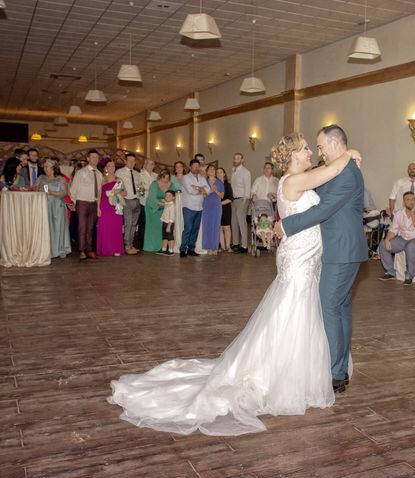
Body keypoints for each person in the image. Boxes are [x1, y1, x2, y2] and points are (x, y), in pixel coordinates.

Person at [108, 131, 355, 436]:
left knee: (299, 311)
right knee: (294, 310)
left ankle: (298, 368)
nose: (310, 153)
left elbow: (325, 176)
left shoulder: (297, 178)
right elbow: (330, 170)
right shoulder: (293, 180)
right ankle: (283, 374)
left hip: (305, 257)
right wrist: (351, 153)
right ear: (292, 156)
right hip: (299, 259)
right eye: (306, 149)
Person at [277, 125, 368, 393]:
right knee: (338, 307)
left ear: (335, 143)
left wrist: (286, 225)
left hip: (341, 250)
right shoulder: (340, 169)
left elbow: (324, 209)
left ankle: (336, 373)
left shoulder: (347, 174)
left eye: (320, 146)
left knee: (330, 306)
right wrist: (349, 154)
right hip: (332, 250)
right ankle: (338, 367)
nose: (318, 152)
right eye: (312, 148)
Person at [379, 191, 415, 286]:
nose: (411, 201)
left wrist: (413, 213)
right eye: (408, 200)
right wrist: (387, 239)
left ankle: (409, 276)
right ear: (404, 202)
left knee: (410, 245)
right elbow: (393, 229)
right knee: (383, 245)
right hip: (404, 239)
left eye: (413, 199)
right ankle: (391, 272)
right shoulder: (399, 214)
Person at [70, 150, 103, 260]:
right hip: (82, 203)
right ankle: (82, 250)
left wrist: (98, 207)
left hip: (93, 203)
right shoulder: (81, 172)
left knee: (90, 228)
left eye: (97, 157)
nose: (95, 159)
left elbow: (99, 192)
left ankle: (89, 250)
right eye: (93, 157)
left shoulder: (99, 174)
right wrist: (75, 202)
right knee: (82, 228)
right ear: (88, 158)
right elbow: (73, 189)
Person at [35, 159, 71, 259]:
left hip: (58, 205)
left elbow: (64, 193)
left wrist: (50, 192)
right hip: (44, 205)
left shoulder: (61, 179)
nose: (45, 168)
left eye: (47, 167)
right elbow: (34, 189)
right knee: (47, 226)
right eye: (44, 167)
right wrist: (38, 187)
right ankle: (48, 249)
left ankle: (61, 249)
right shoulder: (41, 178)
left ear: (53, 168)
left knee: (59, 227)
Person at [180, 159, 210, 257]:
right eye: (194, 166)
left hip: (199, 207)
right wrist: (201, 189)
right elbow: (190, 191)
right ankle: (183, 249)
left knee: (195, 229)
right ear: (190, 167)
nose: (196, 168)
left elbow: (208, 190)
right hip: (188, 206)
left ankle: (191, 248)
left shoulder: (202, 178)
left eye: (198, 166)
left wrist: (196, 187)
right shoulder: (185, 178)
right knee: (188, 228)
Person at [96, 160, 126, 257]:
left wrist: (119, 191)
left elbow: (125, 193)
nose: (111, 168)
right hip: (104, 206)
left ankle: (115, 249)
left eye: (113, 166)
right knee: (105, 227)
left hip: (115, 207)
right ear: (105, 168)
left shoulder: (119, 180)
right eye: (109, 166)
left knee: (115, 227)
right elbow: (99, 196)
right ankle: (105, 249)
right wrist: (98, 208)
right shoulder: (102, 179)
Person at [115, 152, 142, 255]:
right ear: (125, 161)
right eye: (129, 161)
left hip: (137, 200)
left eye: (133, 161)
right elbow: (117, 185)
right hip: (126, 200)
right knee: (128, 224)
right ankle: (127, 245)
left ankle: (131, 244)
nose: (131, 163)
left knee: (134, 225)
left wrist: (141, 193)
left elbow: (140, 187)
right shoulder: (119, 172)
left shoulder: (137, 173)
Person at [143, 170, 172, 252]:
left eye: (167, 178)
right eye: (163, 177)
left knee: (161, 228)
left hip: (164, 209)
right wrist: (161, 203)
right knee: (153, 228)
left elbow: (173, 195)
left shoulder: (171, 184)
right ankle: (151, 246)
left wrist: (167, 202)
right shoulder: (154, 184)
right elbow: (152, 197)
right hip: (153, 208)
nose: (165, 180)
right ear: (160, 176)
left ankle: (161, 246)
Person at [230, 152, 252, 253]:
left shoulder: (245, 172)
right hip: (233, 199)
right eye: (235, 158)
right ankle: (235, 243)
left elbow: (247, 187)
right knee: (234, 222)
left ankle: (244, 246)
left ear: (242, 160)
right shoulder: (233, 171)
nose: (236, 160)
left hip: (243, 199)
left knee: (242, 222)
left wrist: (245, 201)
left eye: (238, 158)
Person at [202, 165, 224, 255]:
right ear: (207, 172)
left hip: (216, 206)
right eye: (210, 169)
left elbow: (222, 196)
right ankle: (207, 247)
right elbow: (203, 195)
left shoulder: (219, 182)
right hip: (207, 206)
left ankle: (214, 247)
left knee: (215, 226)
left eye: (213, 169)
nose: (211, 170)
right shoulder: (204, 182)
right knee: (206, 226)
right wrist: (211, 190)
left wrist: (216, 191)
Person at [136, 159, 157, 250]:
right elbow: (140, 189)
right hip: (144, 202)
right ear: (144, 165)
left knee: (152, 224)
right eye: (148, 164)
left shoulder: (156, 176)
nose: (150, 165)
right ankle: (142, 244)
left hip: (155, 203)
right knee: (143, 224)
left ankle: (151, 242)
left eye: (152, 164)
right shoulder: (140, 175)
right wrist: (144, 194)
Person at [170, 161, 187, 253]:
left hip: (185, 200)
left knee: (185, 220)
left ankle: (184, 241)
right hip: (175, 200)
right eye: (177, 167)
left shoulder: (187, 177)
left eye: (180, 166)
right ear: (175, 168)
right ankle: (176, 241)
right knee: (176, 220)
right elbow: (169, 190)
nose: (179, 168)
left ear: (183, 168)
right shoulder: (172, 178)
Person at [217, 167, 233, 252]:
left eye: (221, 172)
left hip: (226, 208)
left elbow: (230, 198)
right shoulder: (214, 185)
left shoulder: (227, 185)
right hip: (216, 209)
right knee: (219, 228)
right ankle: (222, 247)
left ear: (224, 174)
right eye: (217, 172)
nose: (219, 174)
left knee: (227, 228)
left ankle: (228, 247)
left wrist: (220, 203)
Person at [158, 190, 176, 256]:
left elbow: (172, 217)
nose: (167, 197)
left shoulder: (172, 206)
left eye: (169, 196)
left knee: (170, 237)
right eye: (166, 196)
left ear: (173, 197)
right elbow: (164, 203)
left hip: (169, 223)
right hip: (165, 222)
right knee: (164, 236)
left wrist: (169, 226)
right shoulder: (168, 204)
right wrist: (162, 201)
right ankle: (164, 249)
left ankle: (171, 250)